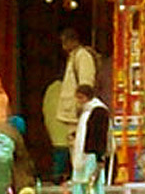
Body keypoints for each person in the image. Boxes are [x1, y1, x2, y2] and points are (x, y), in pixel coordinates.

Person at [54, 28, 96, 178]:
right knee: (74, 144)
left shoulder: (82, 56)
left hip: (77, 111)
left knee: (80, 144)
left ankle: (83, 177)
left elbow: (86, 82)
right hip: (71, 112)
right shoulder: (73, 57)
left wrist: (81, 105)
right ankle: (78, 176)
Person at [70, 85, 112, 194]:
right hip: (84, 155)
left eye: (80, 98)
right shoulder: (86, 111)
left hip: (92, 155)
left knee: (92, 185)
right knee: (81, 184)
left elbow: (100, 135)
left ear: (87, 97)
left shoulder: (99, 110)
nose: (79, 101)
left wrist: (100, 157)